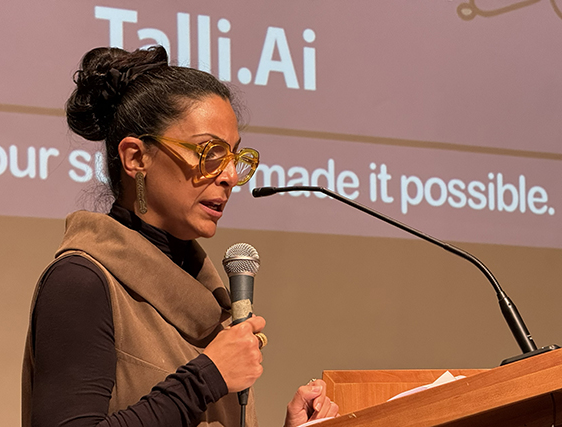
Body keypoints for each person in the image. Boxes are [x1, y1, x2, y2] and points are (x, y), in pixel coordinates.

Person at [21, 45, 339, 427]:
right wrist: (205, 378)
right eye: (209, 152)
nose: (229, 176)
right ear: (136, 158)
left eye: (233, 157)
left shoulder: (209, 297)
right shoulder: (81, 282)